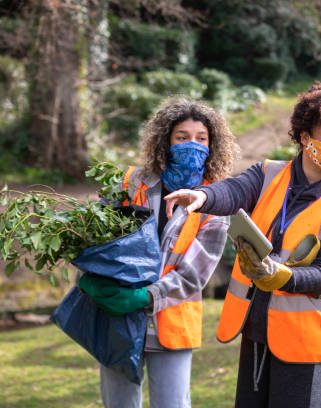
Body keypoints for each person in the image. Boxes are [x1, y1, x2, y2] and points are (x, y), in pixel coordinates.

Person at [165, 82, 321, 408]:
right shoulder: (268, 174)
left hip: (311, 343)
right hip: (257, 332)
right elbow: (233, 192)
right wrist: (203, 196)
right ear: (305, 136)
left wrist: (281, 277)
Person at [78, 96, 236, 408]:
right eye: (182, 138)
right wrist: (91, 277)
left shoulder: (215, 202)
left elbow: (195, 275)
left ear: (212, 144)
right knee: (118, 403)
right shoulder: (131, 182)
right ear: (166, 141)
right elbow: (96, 241)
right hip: (119, 318)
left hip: (172, 320)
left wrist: (146, 296)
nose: (192, 145)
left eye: (201, 139)